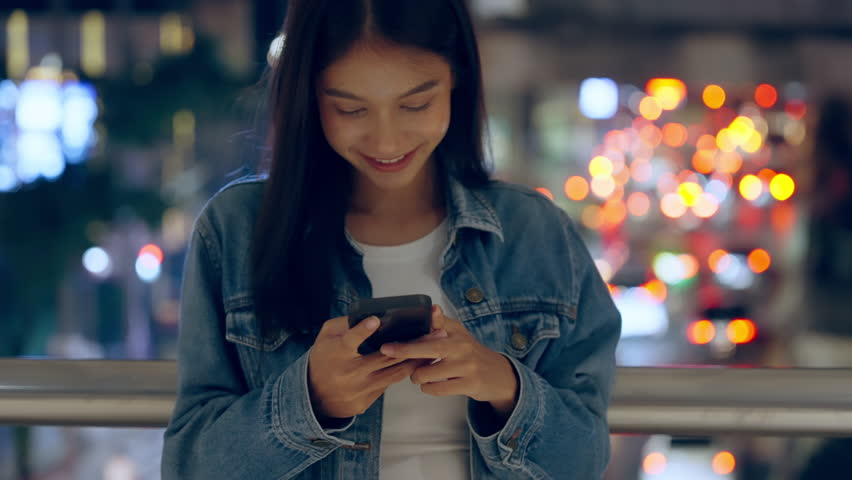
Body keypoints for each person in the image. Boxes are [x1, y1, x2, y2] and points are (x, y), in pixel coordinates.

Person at [160, 1, 621, 479]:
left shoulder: (535, 235)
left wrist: (502, 384)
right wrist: (308, 402)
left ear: (456, 78)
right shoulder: (236, 231)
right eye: (350, 108)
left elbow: (585, 459)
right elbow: (189, 467)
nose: (386, 141)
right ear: (309, 96)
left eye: (415, 104)